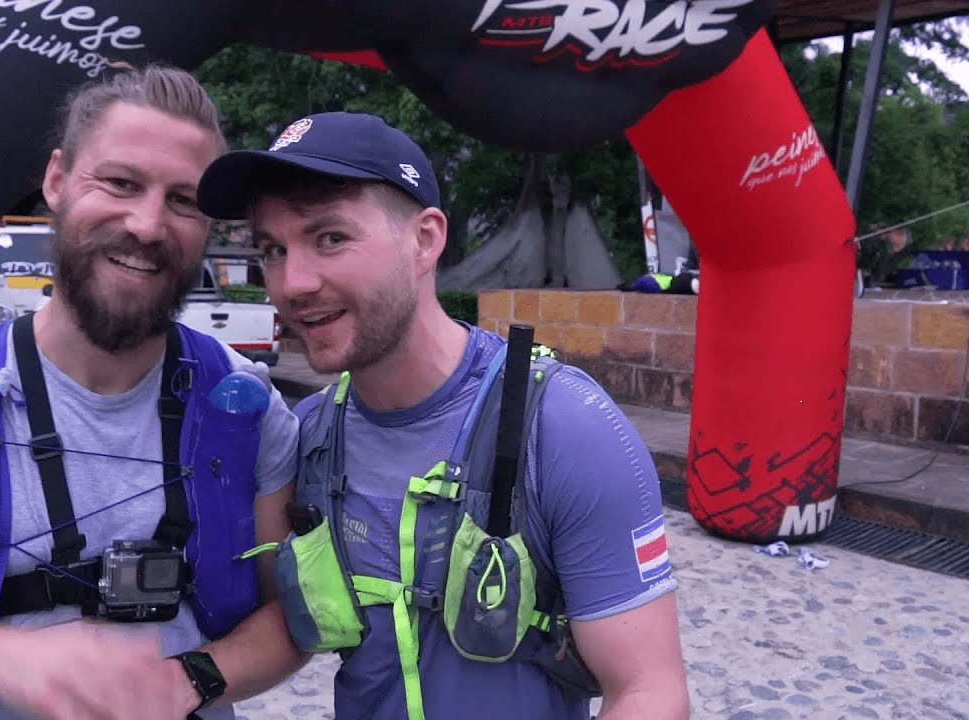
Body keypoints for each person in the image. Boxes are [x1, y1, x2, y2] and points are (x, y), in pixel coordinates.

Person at [0, 63, 307, 720]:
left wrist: (188, 677)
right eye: (120, 182)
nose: (146, 224)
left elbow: (294, 617)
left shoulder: (246, 410)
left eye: (183, 199)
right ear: (56, 180)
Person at [195, 112, 690, 720]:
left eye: (330, 238)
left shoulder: (562, 427)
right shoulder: (317, 435)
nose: (293, 282)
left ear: (425, 240)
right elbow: (284, 625)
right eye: (272, 249)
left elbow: (648, 691)